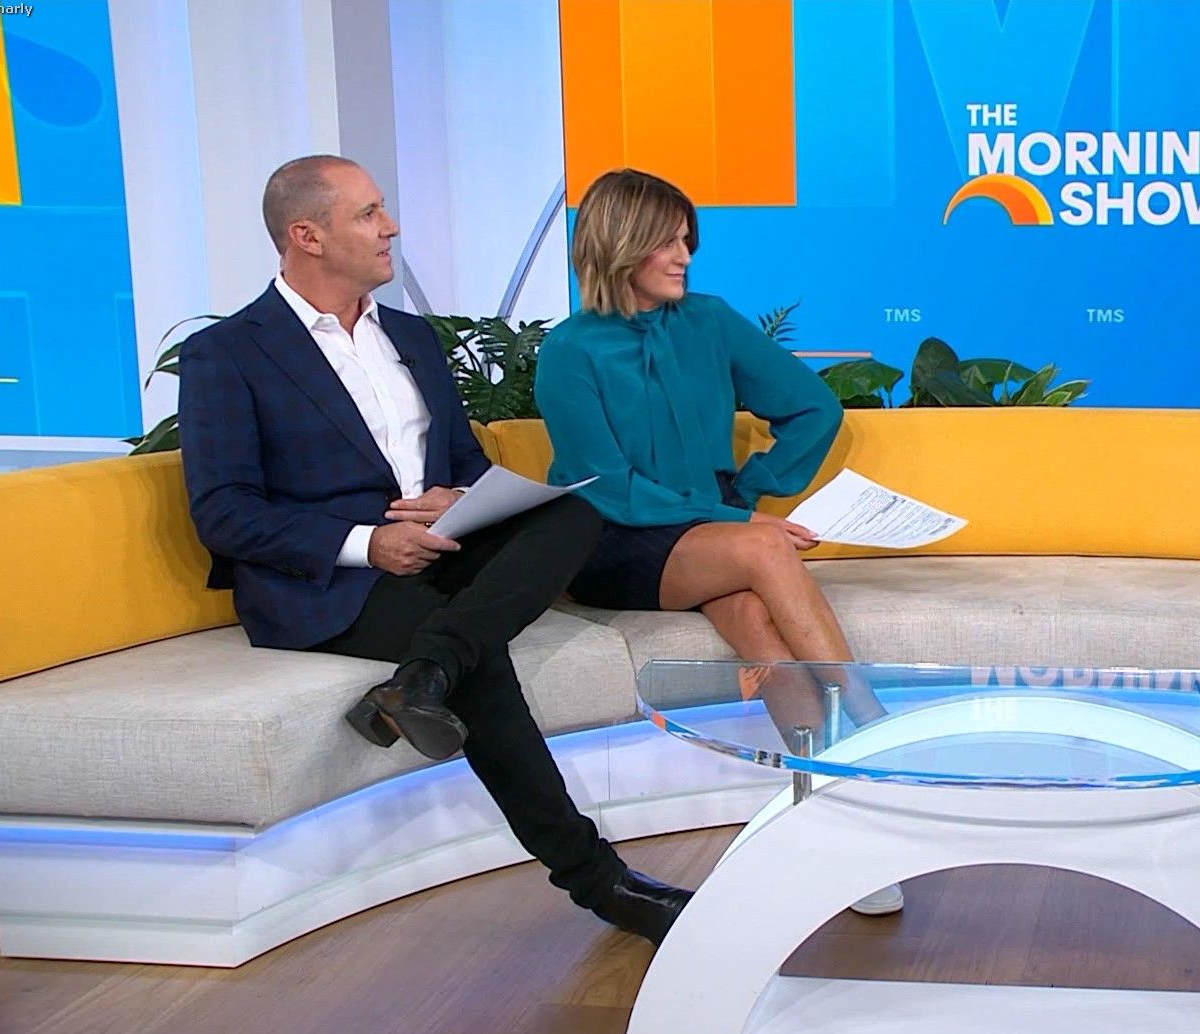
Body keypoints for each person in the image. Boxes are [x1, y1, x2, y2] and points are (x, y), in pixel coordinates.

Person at [177, 154, 693, 944]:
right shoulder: (230, 353)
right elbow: (224, 512)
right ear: (307, 236)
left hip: (444, 546)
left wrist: (459, 499)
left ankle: (424, 676)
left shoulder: (412, 338)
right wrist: (368, 544)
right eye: (369, 213)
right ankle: (602, 882)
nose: (391, 227)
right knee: (481, 660)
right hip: (330, 581)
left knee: (572, 515)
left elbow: (464, 465)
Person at [536, 168, 903, 916]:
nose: (684, 256)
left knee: (755, 619)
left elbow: (813, 407)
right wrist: (742, 521)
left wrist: (751, 490)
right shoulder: (570, 350)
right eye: (667, 242)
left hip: (701, 530)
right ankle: (874, 725)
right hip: (609, 540)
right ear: (621, 243)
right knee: (765, 552)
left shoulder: (709, 321)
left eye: (687, 241)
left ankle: (840, 823)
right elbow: (609, 488)